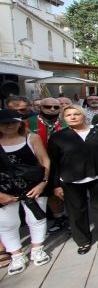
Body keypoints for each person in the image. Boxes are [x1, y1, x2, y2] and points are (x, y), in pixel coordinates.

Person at [47, 105, 98, 255]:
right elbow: (54, 162)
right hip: (71, 180)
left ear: (83, 115)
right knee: (76, 211)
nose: (72, 117)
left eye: (76, 114)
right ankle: (83, 240)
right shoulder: (58, 136)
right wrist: (56, 185)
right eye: (68, 115)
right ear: (63, 118)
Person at [0, 109, 51, 275]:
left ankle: (37, 248)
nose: (9, 126)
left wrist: (43, 183)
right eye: (4, 123)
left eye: (13, 122)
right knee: (7, 223)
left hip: (33, 185)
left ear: (19, 123)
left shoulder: (31, 138)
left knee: (36, 217)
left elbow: (44, 160)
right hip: (4, 189)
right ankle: (16, 254)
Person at [24, 97, 69, 234]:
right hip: (40, 164)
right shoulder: (27, 123)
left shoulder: (66, 121)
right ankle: (59, 217)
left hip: (64, 163)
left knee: (69, 191)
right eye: (48, 106)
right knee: (49, 193)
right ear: (39, 108)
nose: (52, 109)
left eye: (56, 107)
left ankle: (73, 217)